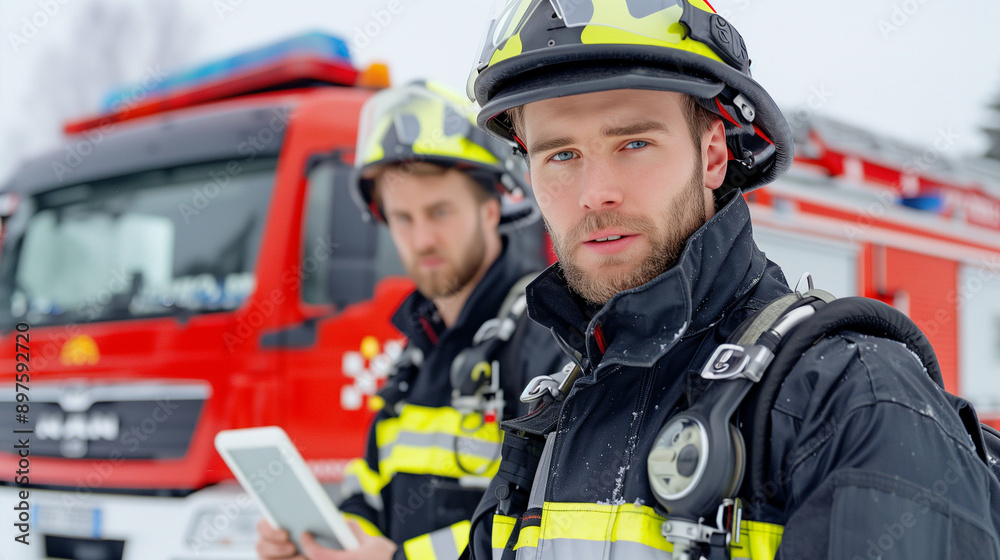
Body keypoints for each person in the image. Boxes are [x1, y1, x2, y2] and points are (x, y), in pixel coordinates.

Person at [460, 1, 1000, 559]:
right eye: (561, 154)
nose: (594, 192)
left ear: (713, 154)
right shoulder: (551, 419)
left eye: (634, 143)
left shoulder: (854, 398)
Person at [253, 81, 565, 560]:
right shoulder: (415, 354)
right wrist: (332, 536)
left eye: (439, 211)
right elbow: (371, 486)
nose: (421, 240)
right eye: (403, 218)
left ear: (490, 209)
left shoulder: (545, 332)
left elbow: (548, 520)